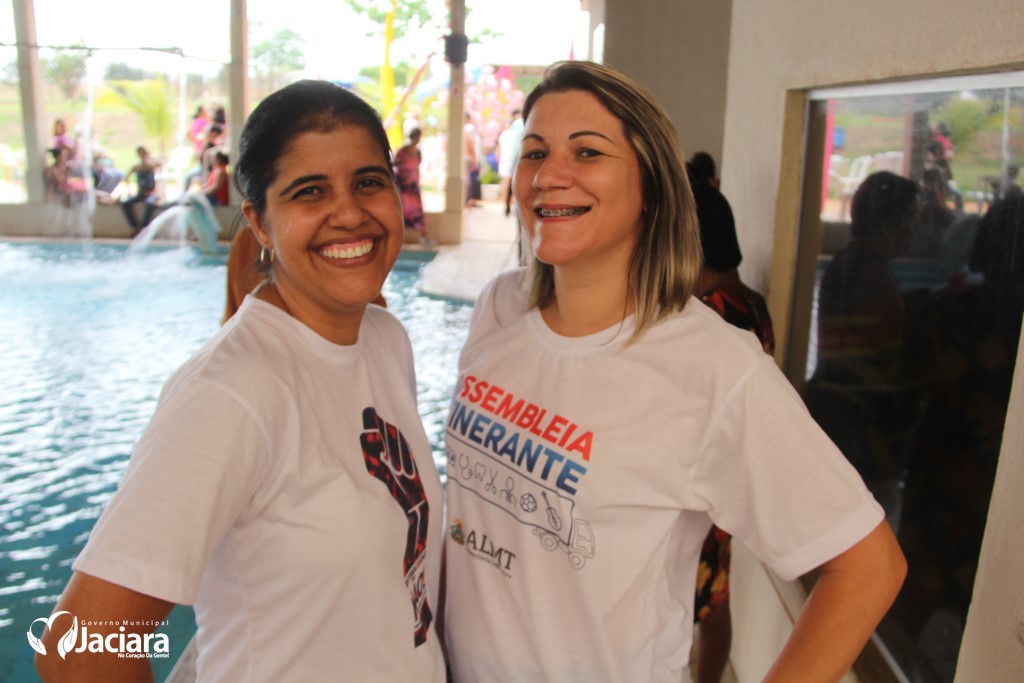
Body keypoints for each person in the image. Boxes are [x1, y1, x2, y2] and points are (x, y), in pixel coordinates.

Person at [442, 60, 906, 683]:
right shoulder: (499, 307)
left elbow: (868, 566)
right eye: (534, 152)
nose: (549, 175)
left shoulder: (713, 368)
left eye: (587, 151)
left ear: (652, 187)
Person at [36, 80, 447, 683]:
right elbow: (81, 651)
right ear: (259, 222)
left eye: (368, 182)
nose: (350, 213)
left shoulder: (384, 340)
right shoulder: (230, 394)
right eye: (310, 191)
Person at [686, 154, 775, 683]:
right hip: (727, 484)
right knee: (714, 599)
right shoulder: (753, 303)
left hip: (697, 488)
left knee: (685, 595)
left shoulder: (709, 313)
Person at [394, 127, 431, 244]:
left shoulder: (418, 153)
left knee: (418, 211)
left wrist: (417, 181)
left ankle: (424, 237)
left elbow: (417, 168)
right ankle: (398, 239)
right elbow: (395, 165)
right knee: (401, 211)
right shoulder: (402, 151)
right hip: (403, 186)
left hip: (413, 186)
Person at [120, 146, 162, 235]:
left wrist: (150, 158)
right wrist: (129, 192)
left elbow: (160, 164)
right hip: (141, 193)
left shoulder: (151, 165)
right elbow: (126, 178)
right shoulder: (137, 167)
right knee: (125, 203)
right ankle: (135, 227)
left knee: (149, 204)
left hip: (151, 193)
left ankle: (144, 227)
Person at [497, 108, 524, 217]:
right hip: (518, 156)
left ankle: (508, 204)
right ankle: (510, 204)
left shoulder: (515, 126)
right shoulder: (521, 123)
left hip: (515, 157)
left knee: (511, 181)